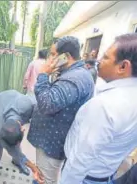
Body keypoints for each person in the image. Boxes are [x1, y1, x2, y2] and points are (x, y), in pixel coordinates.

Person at [60, 33, 137, 184]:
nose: (99, 61)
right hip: (105, 175)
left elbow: (81, 159)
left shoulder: (105, 106)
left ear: (123, 66)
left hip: (83, 178)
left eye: (106, 57)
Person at [27, 36, 94, 184]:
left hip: (52, 143)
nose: (50, 58)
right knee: (42, 176)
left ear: (66, 56)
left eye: (53, 54)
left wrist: (43, 75)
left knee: (44, 179)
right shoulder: (72, 74)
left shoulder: (74, 78)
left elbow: (46, 104)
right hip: (51, 140)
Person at [0, 90, 44, 184]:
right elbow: (13, 148)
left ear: (21, 127)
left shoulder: (27, 104)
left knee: (14, 139)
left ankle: (16, 161)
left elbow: (36, 100)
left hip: (11, 96)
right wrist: (32, 166)